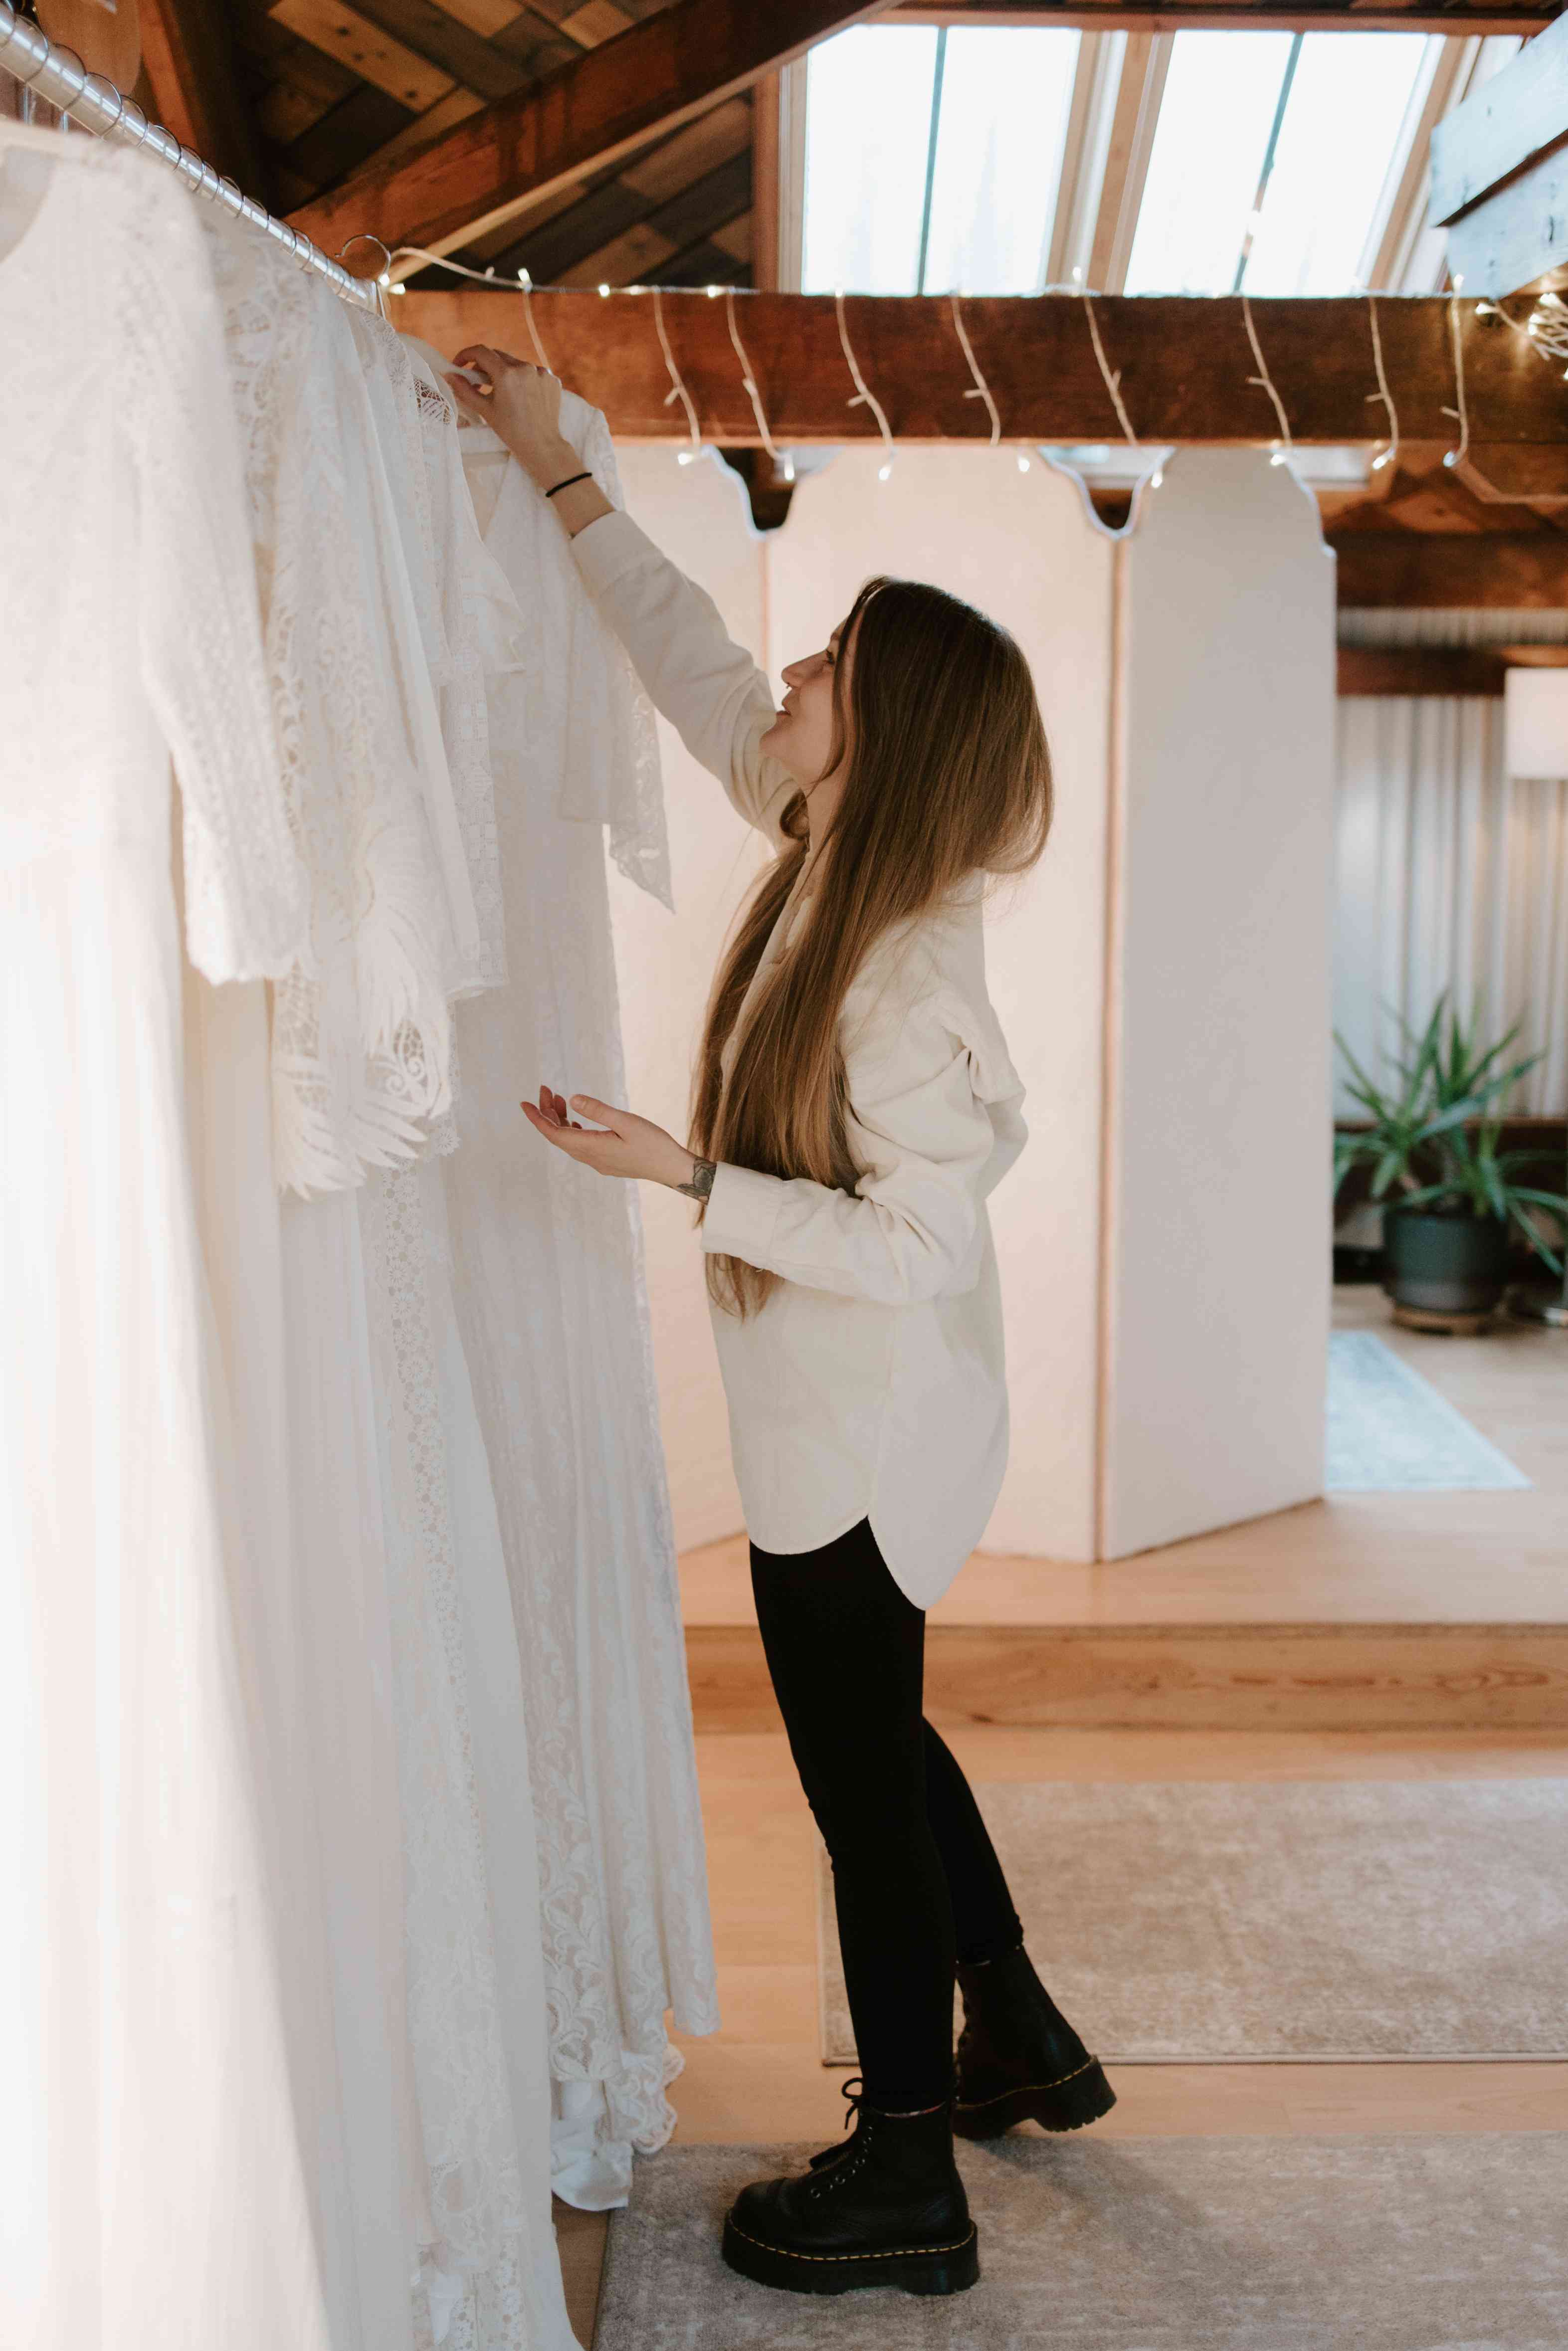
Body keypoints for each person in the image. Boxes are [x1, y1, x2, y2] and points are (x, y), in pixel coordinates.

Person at [445, 347, 1115, 2302]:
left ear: (884, 732)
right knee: (883, 1742)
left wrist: (681, 1177)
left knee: (853, 1782)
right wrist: (568, 483)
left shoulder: (909, 975)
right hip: (843, 1411)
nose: (792, 676)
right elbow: (694, 671)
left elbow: (911, 1248)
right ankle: (1020, 2039)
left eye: (829, 660)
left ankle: (912, 2167)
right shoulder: (830, 841)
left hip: (872, 1432)